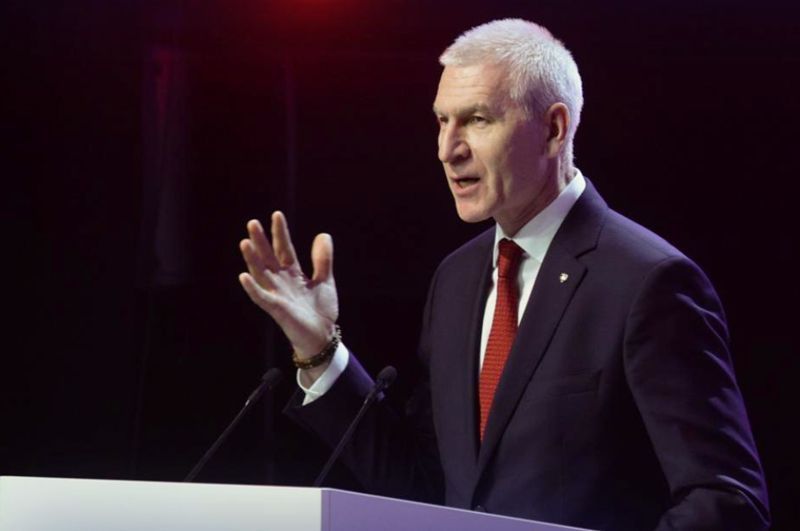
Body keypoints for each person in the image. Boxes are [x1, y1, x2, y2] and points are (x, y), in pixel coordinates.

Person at [238, 19, 769, 531]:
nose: (447, 150)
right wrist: (319, 349)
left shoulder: (648, 283)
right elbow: (426, 486)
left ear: (553, 129)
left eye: (477, 120)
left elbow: (726, 500)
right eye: (442, 121)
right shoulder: (456, 279)